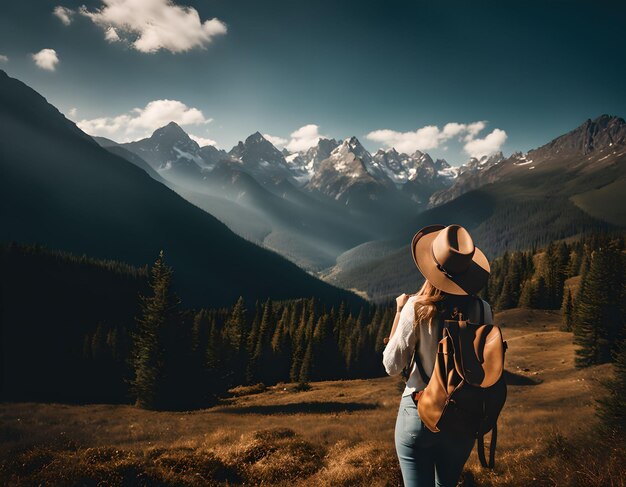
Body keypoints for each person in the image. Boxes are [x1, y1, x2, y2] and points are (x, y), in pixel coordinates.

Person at [382, 224, 493, 487]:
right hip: (464, 415)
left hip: (419, 411)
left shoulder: (416, 308)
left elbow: (391, 365)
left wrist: (399, 313)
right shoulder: (483, 309)